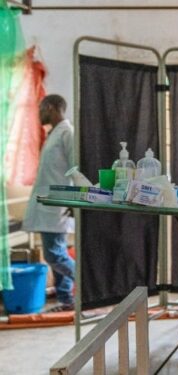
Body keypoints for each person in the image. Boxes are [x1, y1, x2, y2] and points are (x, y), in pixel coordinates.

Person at [22, 94, 76, 312]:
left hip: (58, 204)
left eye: (41, 108)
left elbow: (75, 167)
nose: (39, 113)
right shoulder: (53, 134)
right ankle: (66, 300)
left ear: (52, 108)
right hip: (49, 204)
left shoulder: (67, 133)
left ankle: (86, 283)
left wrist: (73, 199)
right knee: (58, 250)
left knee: (54, 254)